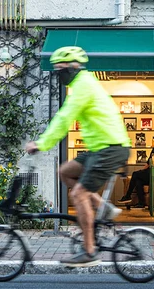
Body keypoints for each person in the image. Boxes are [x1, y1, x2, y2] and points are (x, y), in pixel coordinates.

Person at [25, 46, 131, 267]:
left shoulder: (84, 86)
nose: (58, 73)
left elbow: (64, 118)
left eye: (60, 69)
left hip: (110, 148)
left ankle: (90, 251)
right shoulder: (81, 84)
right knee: (64, 172)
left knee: (79, 194)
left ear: (73, 67)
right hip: (99, 148)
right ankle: (104, 207)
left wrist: (41, 143)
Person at [118, 128, 154, 209]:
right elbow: (149, 162)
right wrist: (143, 172)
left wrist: (142, 172)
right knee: (138, 181)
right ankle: (141, 203)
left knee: (135, 174)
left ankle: (127, 196)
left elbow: (148, 163)